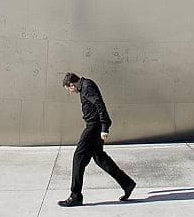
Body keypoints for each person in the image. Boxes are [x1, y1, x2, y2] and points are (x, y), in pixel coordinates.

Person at [58, 72, 136, 207]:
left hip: (94, 127)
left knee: (78, 157)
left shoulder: (87, 87)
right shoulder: (85, 86)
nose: (71, 92)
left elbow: (100, 104)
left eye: (69, 89)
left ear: (72, 84)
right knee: (100, 157)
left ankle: (75, 196)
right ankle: (127, 184)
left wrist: (104, 127)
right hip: (94, 125)